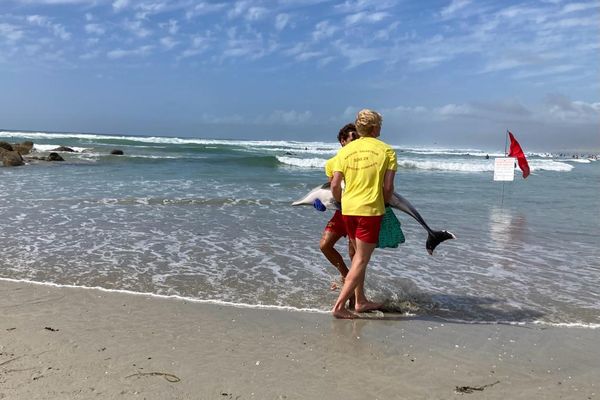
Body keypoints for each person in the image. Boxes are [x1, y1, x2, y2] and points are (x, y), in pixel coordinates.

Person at [330, 109, 397, 319]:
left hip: (348, 210)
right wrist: (383, 205)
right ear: (375, 128)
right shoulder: (387, 151)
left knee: (358, 257)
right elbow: (388, 188)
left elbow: (334, 185)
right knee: (360, 260)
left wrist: (342, 201)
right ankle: (340, 306)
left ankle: (360, 301)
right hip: (370, 211)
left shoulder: (345, 151)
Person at [317, 124, 357, 298]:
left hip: (358, 210)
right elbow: (333, 189)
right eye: (353, 138)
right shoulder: (332, 163)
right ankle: (346, 276)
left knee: (353, 253)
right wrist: (323, 203)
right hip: (341, 211)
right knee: (325, 245)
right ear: (343, 141)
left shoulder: (362, 161)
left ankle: (355, 292)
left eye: (358, 138)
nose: (357, 141)